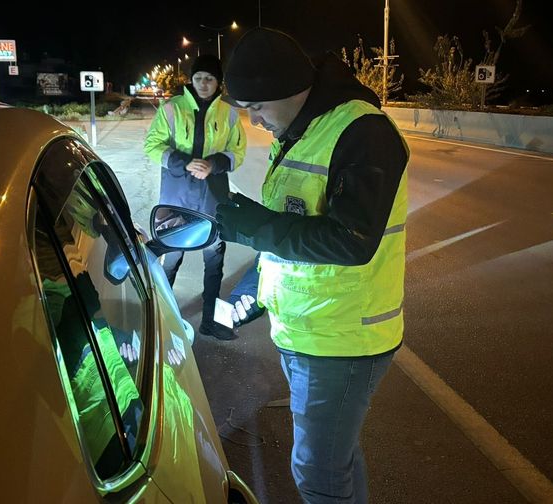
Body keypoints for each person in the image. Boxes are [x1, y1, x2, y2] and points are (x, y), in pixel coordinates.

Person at [216, 28, 410, 503]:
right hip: (312, 329)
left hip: (344, 339)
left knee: (317, 472)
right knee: (336, 462)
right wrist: (251, 293)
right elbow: (294, 231)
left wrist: (254, 227)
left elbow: (351, 241)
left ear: (285, 88)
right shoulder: (305, 126)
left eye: (257, 108)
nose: (255, 120)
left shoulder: (363, 133)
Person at [144, 54, 246, 340]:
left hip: (212, 197)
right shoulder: (171, 109)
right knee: (172, 258)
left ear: (218, 82)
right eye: (199, 77)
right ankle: (160, 320)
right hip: (177, 198)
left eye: (210, 78)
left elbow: (238, 152)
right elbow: (152, 146)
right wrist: (184, 162)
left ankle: (211, 322)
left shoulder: (229, 113)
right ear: (192, 79)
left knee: (214, 262)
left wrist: (213, 164)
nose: (204, 83)